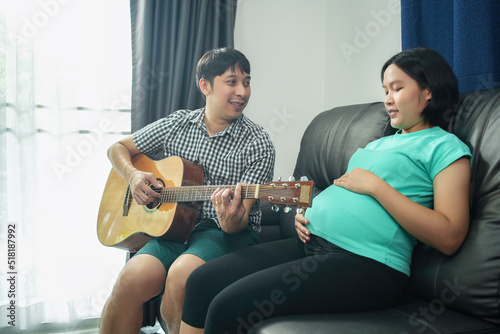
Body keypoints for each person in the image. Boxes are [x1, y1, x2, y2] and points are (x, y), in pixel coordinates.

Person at [179, 47, 472, 334]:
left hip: (367, 265)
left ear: (428, 91)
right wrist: (309, 214)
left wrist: (377, 187)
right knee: (201, 281)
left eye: (397, 88)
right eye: (385, 90)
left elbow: (449, 236)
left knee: (227, 307)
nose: (388, 100)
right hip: (310, 244)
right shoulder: (380, 143)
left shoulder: (445, 147)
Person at [99, 47, 275, 334]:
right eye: (231, 82)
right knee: (131, 278)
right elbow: (117, 148)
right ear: (205, 85)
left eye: (247, 81)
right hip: (173, 229)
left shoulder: (258, 143)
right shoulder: (178, 124)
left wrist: (231, 219)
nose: (242, 91)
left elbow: (240, 222)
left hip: (224, 233)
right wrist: (132, 176)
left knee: (182, 276)